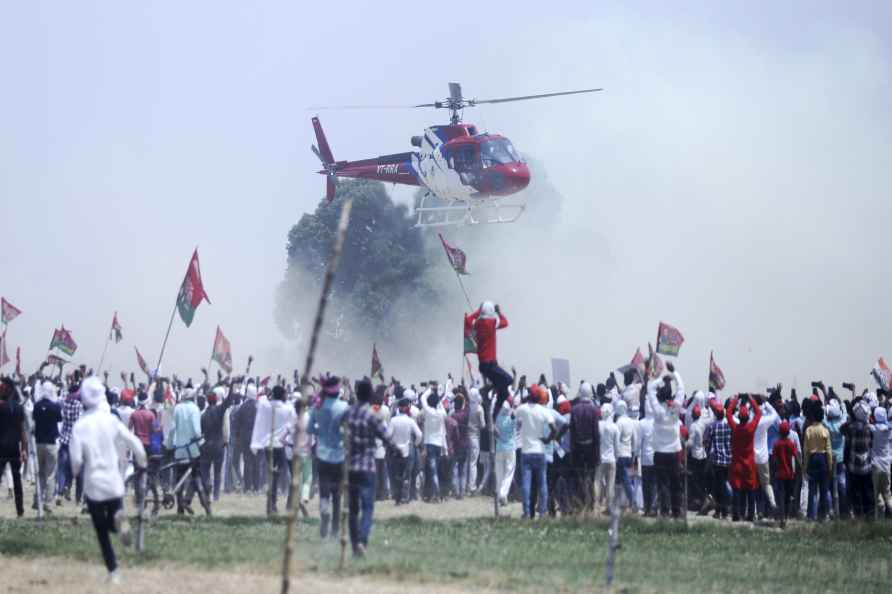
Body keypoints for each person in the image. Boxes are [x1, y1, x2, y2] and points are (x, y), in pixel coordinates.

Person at [70, 377, 147, 584]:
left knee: (101, 531)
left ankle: (113, 572)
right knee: (114, 520)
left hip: (94, 484)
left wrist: (76, 471)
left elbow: (76, 462)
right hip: (114, 482)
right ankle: (119, 521)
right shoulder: (111, 420)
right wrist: (142, 460)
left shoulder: (80, 426)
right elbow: (134, 442)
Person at [344, 379, 393, 558]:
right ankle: (362, 541)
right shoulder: (372, 415)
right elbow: (387, 437)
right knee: (368, 508)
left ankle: (354, 544)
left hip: (350, 467)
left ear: (357, 394)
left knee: (353, 509)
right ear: (370, 395)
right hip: (367, 467)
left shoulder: (348, 412)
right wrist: (395, 449)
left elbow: (338, 431)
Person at [308, 376, 348, 538]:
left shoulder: (317, 407)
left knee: (323, 487)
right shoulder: (344, 407)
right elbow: (347, 430)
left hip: (322, 453)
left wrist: (322, 433)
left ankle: (325, 512)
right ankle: (335, 527)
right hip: (339, 454)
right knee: (337, 493)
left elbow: (310, 428)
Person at [251, 384, 297, 516]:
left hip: (267, 446)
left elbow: (259, 402)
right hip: (280, 446)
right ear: (283, 395)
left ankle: (271, 502)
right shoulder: (287, 408)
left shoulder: (266, 406)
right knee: (277, 475)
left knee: (273, 475)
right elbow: (293, 426)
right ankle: (273, 503)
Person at [646, 364, 684, 519]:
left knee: (662, 484)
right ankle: (676, 511)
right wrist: (674, 372)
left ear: (660, 395)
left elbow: (649, 389)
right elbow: (681, 388)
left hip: (660, 452)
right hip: (674, 451)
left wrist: (661, 377)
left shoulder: (658, 410)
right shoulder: (675, 407)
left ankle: (664, 511)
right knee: (675, 484)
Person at [515, 384, 556, 519]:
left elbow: (513, 417)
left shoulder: (522, 409)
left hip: (526, 451)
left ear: (528, 396)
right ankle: (543, 512)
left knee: (526, 483)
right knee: (542, 483)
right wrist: (547, 440)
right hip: (540, 451)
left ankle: (526, 512)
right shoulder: (544, 411)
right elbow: (554, 429)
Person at [164, 387, 207, 515]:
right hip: (192, 451)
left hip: (179, 450)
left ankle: (180, 508)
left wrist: (169, 445)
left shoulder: (177, 408)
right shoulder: (195, 409)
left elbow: (172, 429)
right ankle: (189, 501)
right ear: (193, 398)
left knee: (179, 479)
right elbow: (196, 430)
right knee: (196, 477)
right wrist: (200, 442)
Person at [466, 302, 512, 416]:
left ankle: (494, 416)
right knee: (509, 380)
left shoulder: (476, 324)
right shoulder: (492, 323)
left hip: (483, 365)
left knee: (504, 393)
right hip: (491, 364)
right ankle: (488, 389)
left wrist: (477, 312)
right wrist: (499, 313)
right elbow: (505, 323)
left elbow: (467, 321)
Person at [726, 395, 761, 522]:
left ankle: (736, 514)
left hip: (737, 464)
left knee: (737, 490)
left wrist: (736, 399)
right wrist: (751, 398)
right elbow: (758, 413)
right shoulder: (751, 428)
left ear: (739, 417)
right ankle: (750, 515)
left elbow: (728, 414)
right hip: (749, 464)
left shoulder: (735, 428)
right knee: (750, 490)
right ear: (747, 418)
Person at [31, 380, 62, 515]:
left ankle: (37, 499)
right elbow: (59, 419)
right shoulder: (55, 407)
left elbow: (34, 418)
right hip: (51, 444)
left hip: (38, 443)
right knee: (50, 475)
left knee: (40, 473)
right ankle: (48, 502)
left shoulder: (37, 406)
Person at [570, 382, 599, 512]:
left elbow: (572, 431)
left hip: (577, 447)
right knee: (591, 477)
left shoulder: (574, 409)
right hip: (591, 447)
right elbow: (596, 432)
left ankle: (581, 502)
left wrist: (572, 449)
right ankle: (591, 503)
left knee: (579, 476)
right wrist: (597, 452)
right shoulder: (594, 410)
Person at [0, 378, 27, 518]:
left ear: (8, 390)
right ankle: (20, 511)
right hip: (14, 449)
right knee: (17, 481)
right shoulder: (19, 407)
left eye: (3, 387)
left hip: (2, 448)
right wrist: (24, 450)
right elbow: (22, 431)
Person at [388, 398, 422, 505]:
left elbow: (388, 435)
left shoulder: (393, 420)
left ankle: (397, 498)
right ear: (407, 408)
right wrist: (415, 444)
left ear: (398, 408)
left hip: (396, 451)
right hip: (408, 450)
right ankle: (405, 497)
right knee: (407, 476)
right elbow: (419, 435)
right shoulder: (410, 421)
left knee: (397, 475)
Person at [804, 404, 833, 521]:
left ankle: (811, 515)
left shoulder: (808, 430)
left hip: (812, 459)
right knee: (824, 489)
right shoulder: (825, 431)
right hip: (823, 459)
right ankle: (823, 515)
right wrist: (830, 465)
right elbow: (829, 450)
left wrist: (805, 466)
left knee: (812, 490)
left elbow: (806, 450)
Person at [844, 399, 873, 518]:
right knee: (867, 492)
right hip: (866, 466)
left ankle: (858, 514)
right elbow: (871, 444)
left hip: (854, 466)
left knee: (855, 493)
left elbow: (847, 444)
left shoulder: (850, 428)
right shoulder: (869, 428)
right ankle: (869, 514)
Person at [57, 383, 84, 506]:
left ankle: (60, 491)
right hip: (75, 441)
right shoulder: (79, 405)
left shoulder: (64, 403)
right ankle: (68, 487)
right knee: (74, 468)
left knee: (62, 468)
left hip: (64, 439)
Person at [704, 400, 732, 519]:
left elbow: (706, 441)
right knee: (725, 485)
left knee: (718, 487)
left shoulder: (712, 426)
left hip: (717, 460)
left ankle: (719, 511)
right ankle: (725, 510)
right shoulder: (729, 425)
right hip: (728, 460)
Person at [770, 420, 800, 528]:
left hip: (780, 474)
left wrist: (773, 471)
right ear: (788, 432)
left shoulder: (776, 444)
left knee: (781, 497)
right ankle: (786, 517)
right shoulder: (791, 444)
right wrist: (800, 468)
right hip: (790, 474)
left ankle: (782, 518)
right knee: (788, 497)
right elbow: (796, 456)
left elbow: (774, 459)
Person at [420, 386, 447, 502]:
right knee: (435, 469)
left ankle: (436, 493)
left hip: (430, 443)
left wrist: (430, 390)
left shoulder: (428, 411)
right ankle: (435, 493)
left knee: (433, 470)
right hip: (439, 444)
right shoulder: (441, 413)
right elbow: (442, 409)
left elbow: (422, 398)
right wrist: (438, 399)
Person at [614, 399, 638, 513]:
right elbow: (634, 439)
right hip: (629, 454)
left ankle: (633, 502)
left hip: (620, 455)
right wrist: (633, 453)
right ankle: (617, 503)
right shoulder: (631, 421)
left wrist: (615, 454)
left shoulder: (619, 422)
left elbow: (616, 440)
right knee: (620, 480)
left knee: (624, 480)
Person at [869, 406, 892, 519]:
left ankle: (880, 521)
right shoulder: (889, 430)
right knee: (888, 494)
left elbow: (865, 421)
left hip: (876, 465)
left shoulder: (874, 429)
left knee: (877, 494)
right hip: (887, 465)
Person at [596, 402, 618, 514]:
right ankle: (609, 507)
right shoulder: (614, 427)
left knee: (598, 483)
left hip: (600, 459)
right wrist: (616, 457)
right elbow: (616, 445)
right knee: (611, 484)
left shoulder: (598, 425)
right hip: (611, 459)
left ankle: (597, 505)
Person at [493, 395, 517, 506]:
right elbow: (519, 426)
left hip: (499, 448)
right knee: (509, 473)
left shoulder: (497, 418)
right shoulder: (512, 418)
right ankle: (503, 494)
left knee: (499, 473)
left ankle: (500, 495)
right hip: (510, 448)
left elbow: (495, 431)